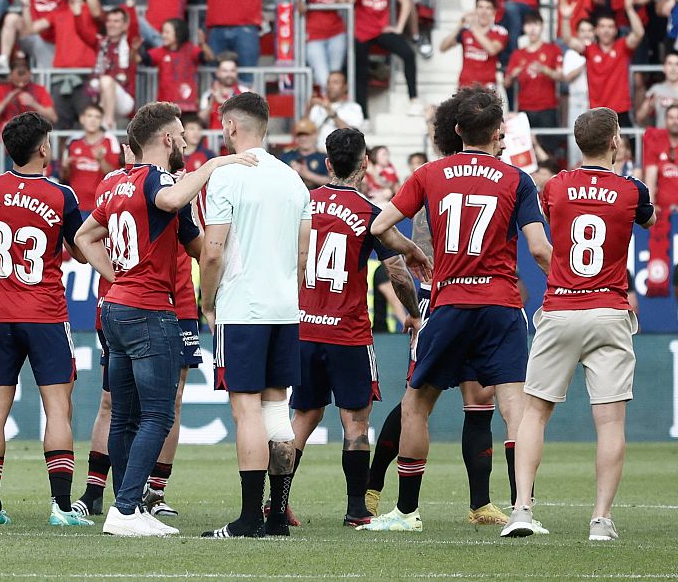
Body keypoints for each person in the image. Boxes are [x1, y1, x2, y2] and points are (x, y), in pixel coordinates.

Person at [364, 86, 554, 533]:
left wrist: (410, 248)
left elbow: (378, 226)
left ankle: (406, 512)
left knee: (415, 404)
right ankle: (522, 510)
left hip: (449, 301)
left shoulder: (430, 173)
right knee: (516, 409)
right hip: (502, 304)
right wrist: (565, 283)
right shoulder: (517, 179)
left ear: (456, 129)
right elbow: (540, 249)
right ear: (497, 132)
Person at [73, 102, 253, 537]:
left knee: (124, 417)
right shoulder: (159, 180)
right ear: (167, 139)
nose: (188, 143)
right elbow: (171, 196)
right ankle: (127, 509)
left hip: (116, 306)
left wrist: (116, 275)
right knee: (157, 415)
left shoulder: (119, 184)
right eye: (183, 136)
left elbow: (84, 236)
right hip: (148, 309)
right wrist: (216, 163)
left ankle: (123, 505)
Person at [505, 108, 651, 541]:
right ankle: (601, 521)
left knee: (534, 413)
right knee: (609, 423)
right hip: (609, 310)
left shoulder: (557, 186)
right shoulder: (632, 190)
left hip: (562, 306)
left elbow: (548, 217)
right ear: (614, 143)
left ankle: (522, 510)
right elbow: (649, 218)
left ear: (576, 143)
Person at [291, 128, 428, 526]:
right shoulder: (370, 211)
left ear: (329, 164)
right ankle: (356, 511)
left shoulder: (303, 203)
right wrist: (414, 312)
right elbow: (397, 274)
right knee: (355, 422)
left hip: (303, 328)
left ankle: (276, 501)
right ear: (365, 163)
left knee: (302, 417)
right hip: (347, 332)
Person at [197, 92, 312, 538]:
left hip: (242, 307)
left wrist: (208, 302)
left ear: (230, 128)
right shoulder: (295, 180)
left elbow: (212, 251)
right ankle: (278, 514)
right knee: (275, 408)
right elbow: (304, 255)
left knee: (245, 410)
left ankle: (248, 519)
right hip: (284, 308)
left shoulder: (227, 177)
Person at [0, 113, 91, 528]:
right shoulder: (61, 196)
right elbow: (79, 252)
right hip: (46, 314)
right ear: (43, 148)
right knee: (58, 409)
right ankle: (60, 507)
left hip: (0, 313)